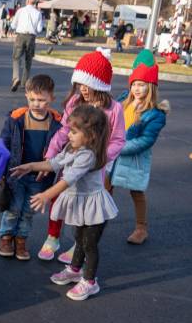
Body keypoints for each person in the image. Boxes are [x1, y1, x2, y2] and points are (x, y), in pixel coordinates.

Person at [11, 105, 118, 301]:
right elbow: (54, 163)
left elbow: (68, 179)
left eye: (74, 132)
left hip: (93, 206)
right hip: (81, 203)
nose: (69, 135)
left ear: (91, 135)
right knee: (79, 237)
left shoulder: (88, 155)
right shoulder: (72, 147)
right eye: (69, 130)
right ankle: (75, 270)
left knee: (89, 244)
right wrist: (31, 166)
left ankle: (90, 281)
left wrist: (46, 195)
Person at [38, 48, 125, 263]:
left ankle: (79, 245)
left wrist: (99, 159)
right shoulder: (75, 102)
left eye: (88, 84)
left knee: (85, 207)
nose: (83, 89)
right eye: (80, 83)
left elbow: (118, 140)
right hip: (70, 162)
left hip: (95, 168)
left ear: (101, 84)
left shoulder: (114, 109)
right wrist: (49, 157)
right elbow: (64, 132)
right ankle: (53, 236)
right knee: (58, 197)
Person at [107, 50, 169, 244]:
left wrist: (118, 147)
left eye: (142, 85)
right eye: (134, 84)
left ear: (151, 86)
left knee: (136, 191)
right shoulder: (124, 101)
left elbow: (145, 141)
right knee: (105, 185)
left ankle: (141, 228)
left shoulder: (155, 114)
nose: (137, 89)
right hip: (112, 152)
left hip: (133, 158)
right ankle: (99, 218)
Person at [0, 75, 62, 261]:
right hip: (16, 173)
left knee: (28, 211)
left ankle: (21, 240)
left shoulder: (57, 123)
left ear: (51, 99)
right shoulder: (17, 118)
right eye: (32, 99)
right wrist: (1, 172)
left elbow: (59, 149)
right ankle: (6, 237)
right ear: (26, 96)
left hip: (40, 176)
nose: (36, 103)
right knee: (13, 207)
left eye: (42, 100)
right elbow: (4, 144)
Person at [10, 0, 43, 92]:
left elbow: (13, 25)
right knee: (28, 60)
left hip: (20, 36)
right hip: (31, 37)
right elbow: (39, 29)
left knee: (16, 58)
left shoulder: (20, 11)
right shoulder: (38, 13)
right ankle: (24, 83)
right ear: (35, 2)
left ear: (27, 1)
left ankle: (16, 78)